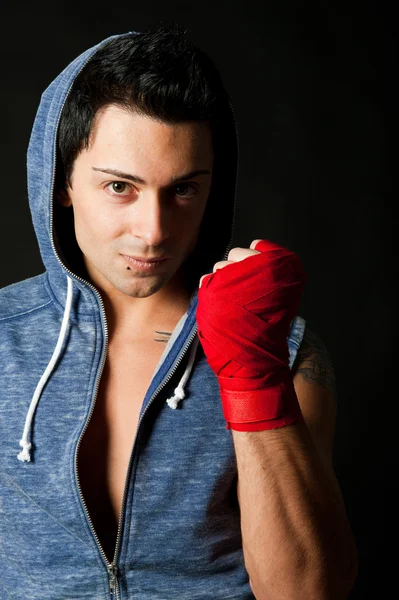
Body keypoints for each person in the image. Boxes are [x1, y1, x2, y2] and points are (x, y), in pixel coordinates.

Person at [0, 26, 358, 599]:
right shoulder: (1, 341)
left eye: (184, 190)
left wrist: (252, 373)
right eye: (121, 186)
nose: (154, 232)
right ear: (62, 181)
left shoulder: (286, 352)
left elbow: (306, 592)